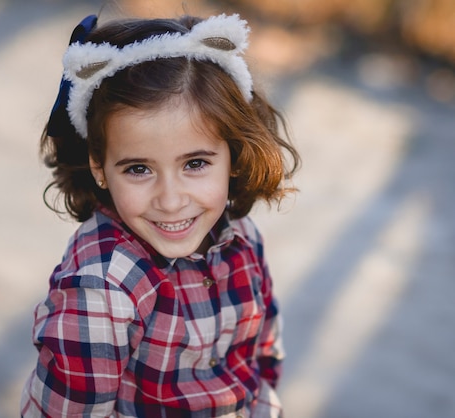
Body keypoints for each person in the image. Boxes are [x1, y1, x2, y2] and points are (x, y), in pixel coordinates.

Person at [21, 12, 299, 418]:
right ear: (99, 166)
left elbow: (262, 353)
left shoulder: (240, 237)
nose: (170, 201)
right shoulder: (101, 292)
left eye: (195, 164)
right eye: (139, 169)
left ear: (234, 154)